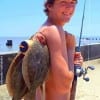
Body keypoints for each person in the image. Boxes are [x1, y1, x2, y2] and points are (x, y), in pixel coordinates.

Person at [32, 0, 83, 100]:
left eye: (72, 2)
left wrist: (74, 62)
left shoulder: (45, 29)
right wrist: (70, 47)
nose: (69, 7)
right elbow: (64, 83)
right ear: (49, 5)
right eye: (63, 2)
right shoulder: (53, 30)